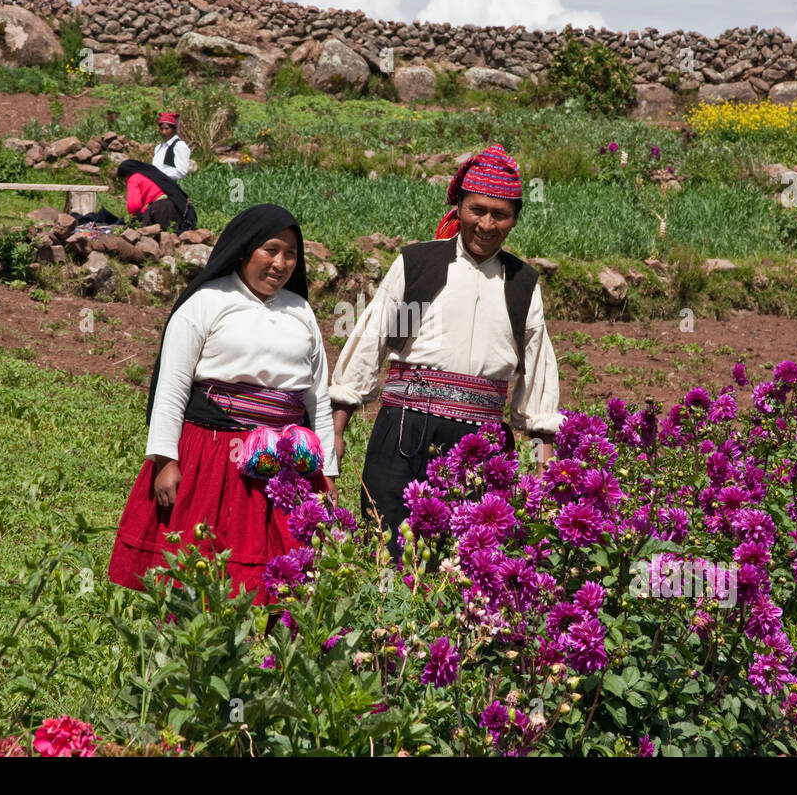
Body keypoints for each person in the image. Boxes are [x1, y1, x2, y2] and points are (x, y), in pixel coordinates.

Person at [328, 144, 563, 556]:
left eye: (500, 214)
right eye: (477, 210)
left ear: (515, 219)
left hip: (482, 443)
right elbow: (373, 338)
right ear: (459, 207)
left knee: (468, 562)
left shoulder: (522, 283)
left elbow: (537, 367)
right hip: (405, 431)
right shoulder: (419, 264)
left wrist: (542, 451)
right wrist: (337, 427)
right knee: (390, 550)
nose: (487, 224)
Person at [107, 203, 338, 603]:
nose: (280, 263)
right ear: (245, 250)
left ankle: (271, 653)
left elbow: (317, 397)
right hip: (215, 455)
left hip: (288, 466)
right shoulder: (206, 302)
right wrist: (165, 460)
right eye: (270, 250)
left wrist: (328, 472)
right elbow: (172, 384)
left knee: (289, 576)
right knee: (207, 568)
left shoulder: (300, 310)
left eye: (291, 254)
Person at [151, 112, 191, 183]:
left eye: (167, 129)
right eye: (161, 129)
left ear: (174, 129)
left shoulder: (179, 146)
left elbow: (181, 172)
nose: (164, 132)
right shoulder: (158, 148)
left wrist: (159, 174)